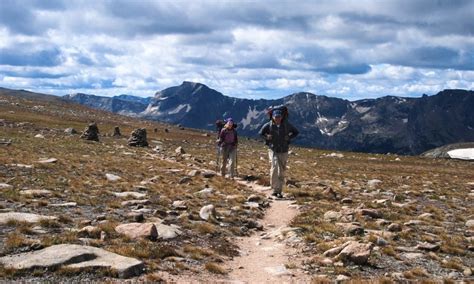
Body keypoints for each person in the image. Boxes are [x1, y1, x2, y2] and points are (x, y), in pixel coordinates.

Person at [259, 109, 299, 198]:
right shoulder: (268, 125)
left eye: (279, 117)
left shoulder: (286, 125)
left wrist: (289, 137)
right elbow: (261, 133)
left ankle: (279, 191)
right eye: (276, 117)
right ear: (272, 117)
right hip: (273, 150)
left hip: (284, 150)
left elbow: (296, 132)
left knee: (281, 171)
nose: (277, 118)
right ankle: (274, 188)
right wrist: (267, 137)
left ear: (281, 117)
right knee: (275, 167)